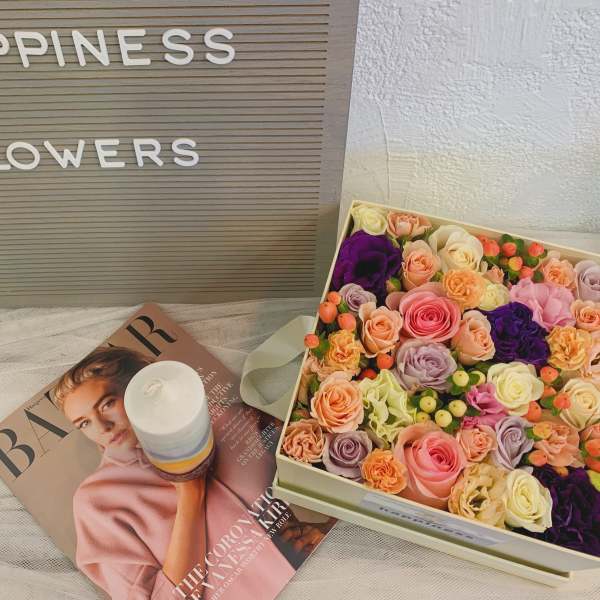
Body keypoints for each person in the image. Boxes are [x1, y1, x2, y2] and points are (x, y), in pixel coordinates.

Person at [53, 346, 327, 600]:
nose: (102, 426)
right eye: (84, 423)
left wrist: (323, 530)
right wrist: (189, 492)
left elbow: (329, 464)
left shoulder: (227, 419)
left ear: (139, 387)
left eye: (107, 404)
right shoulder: (96, 502)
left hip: (323, 577)